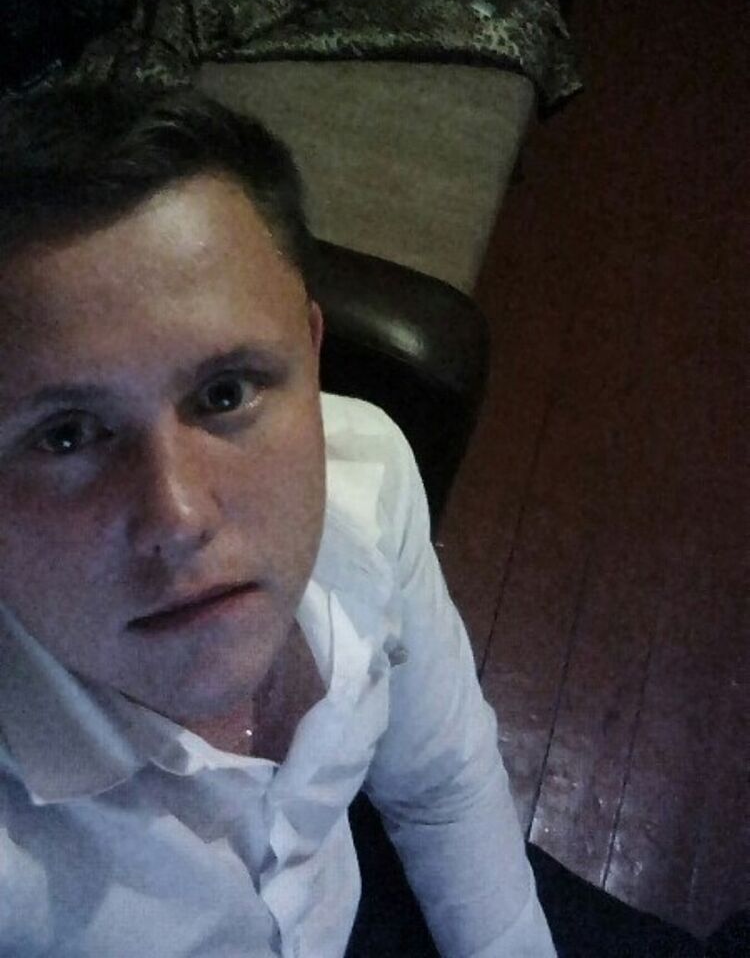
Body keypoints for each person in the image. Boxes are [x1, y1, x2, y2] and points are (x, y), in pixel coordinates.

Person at [0, 84, 557, 957]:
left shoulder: (369, 477)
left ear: (313, 351)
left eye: (224, 393)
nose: (179, 517)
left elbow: (443, 782)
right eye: (66, 435)